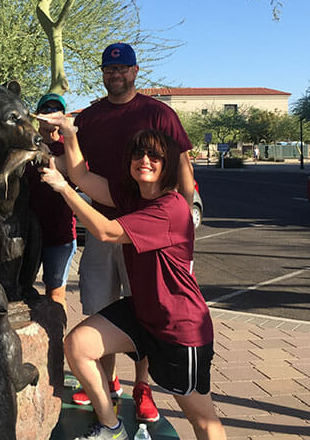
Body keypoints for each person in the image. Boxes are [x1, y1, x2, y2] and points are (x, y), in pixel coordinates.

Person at [41, 124, 226, 440]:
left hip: (179, 327)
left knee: (202, 418)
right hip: (143, 312)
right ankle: (112, 427)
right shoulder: (133, 196)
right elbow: (83, 176)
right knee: (79, 345)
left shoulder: (171, 207)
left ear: (166, 164)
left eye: (155, 155)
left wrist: (63, 188)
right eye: (139, 154)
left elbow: (107, 231)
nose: (145, 160)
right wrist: (70, 136)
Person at [70, 42, 195, 423]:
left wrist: (183, 219)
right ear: (103, 73)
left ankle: (144, 387)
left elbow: (183, 166)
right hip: (104, 225)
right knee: (97, 305)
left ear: (136, 71)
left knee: (146, 308)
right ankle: (106, 382)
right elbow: (76, 165)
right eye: (109, 69)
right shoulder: (90, 118)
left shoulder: (158, 114)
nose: (116, 74)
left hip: (149, 231)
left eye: (122, 68)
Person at [25, 93, 77, 311]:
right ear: (38, 116)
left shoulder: (71, 147)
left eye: (56, 111)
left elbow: (75, 173)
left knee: (55, 295)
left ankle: (58, 342)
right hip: (25, 234)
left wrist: (45, 154)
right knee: (22, 289)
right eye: (46, 110)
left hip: (60, 235)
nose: (50, 115)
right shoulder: (23, 143)